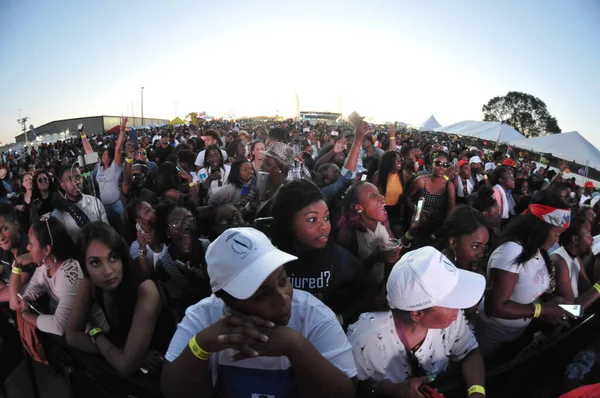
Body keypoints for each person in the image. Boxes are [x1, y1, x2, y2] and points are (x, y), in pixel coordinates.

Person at [160, 227, 357, 398]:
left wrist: (296, 346)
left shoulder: (314, 314)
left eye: (283, 281)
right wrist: (201, 345)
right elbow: (171, 390)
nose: (283, 299)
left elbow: (346, 391)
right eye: (262, 295)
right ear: (227, 300)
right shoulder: (203, 316)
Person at [347, 246, 486, 398]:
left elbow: (470, 352)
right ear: (417, 314)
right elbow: (348, 388)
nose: (458, 307)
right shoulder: (363, 341)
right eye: (450, 302)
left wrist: (477, 392)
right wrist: (391, 390)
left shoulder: (453, 319)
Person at [475, 190, 574, 358]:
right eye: (556, 234)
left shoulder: (538, 251)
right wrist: (541, 310)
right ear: (542, 227)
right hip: (488, 337)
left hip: (513, 336)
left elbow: (524, 290)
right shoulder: (511, 252)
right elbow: (495, 307)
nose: (557, 240)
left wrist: (550, 303)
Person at [66, 222, 168, 376]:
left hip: (162, 368)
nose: (107, 271)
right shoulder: (89, 282)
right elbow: (72, 336)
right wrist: (122, 353)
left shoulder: (146, 291)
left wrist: (96, 334)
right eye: (95, 262)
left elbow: (126, 366)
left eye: (113, 257)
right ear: (85, 267)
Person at [271, 179, 370, 327]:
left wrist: (340, 319)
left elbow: (365, 294)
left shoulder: (338, 258)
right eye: (312, 219)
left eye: (326, 218)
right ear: (288, 222)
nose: (324, 227)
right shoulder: (272, 261)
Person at [8, 215, 105, 336]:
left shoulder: (71, 275)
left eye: (31, 244)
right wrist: (17, 266)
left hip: (95, 338)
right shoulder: (44, 268)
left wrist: (25, 315)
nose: (27, 248)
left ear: (46, 249)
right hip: (74, 338)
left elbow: (59, 327)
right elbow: (15, 303)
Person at [154, 204, 211, 322]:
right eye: (175, 223)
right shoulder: (164, 265)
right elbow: (177, 306)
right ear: (167, 232)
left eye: (189, 220)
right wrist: (193, 285)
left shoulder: (210, 248)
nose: (185, 227)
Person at [337, 181, 400, 266]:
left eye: (379, 194)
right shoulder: (348, 235)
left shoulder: (383, 222)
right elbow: (349, 273)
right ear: (359, 207)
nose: (382, 197)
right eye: (373, 196)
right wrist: (376, 258)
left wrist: (412, 229)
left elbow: (393, 248)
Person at [408, 151, 456, 244]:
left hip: (437, 229)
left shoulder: (449, 186)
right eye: (438, 164)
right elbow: (408, 198)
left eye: (445, 165)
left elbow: (451, 212)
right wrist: (415, 208)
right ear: (431, 165)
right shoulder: (421, 181)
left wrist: (437, 233)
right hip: (417, 224)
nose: (441, 167)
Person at [552, 217, 600, 309]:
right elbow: (572, 309)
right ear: (575, 239)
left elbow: (587, 290)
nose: (592, 239)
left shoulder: (575, 258)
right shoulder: (559, 260)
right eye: (589, 234)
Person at [51, 166, 108, 244]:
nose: (76, 182)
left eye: (78, 177)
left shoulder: (95, 202)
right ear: (63, 186)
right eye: (70, 179)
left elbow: (107, 230)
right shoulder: (58, 214)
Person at [440, 205, 491, 274]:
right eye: (475, 247)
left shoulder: (477, 274)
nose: (481, 254)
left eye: (484, 246)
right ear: (453, 242)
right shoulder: (436, 273)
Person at [0, 203, 34, 302]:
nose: (1, 237)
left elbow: (13, 293)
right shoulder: (4, 248)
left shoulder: (28, 247)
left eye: (4, 229)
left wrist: (8, 289)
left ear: (16, 225)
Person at [128, 201, 167, 277]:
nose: (154, 211)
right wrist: (143, 250)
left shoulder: (165, 230)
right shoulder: (135, 247)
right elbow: (146, 275)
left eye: (152, 208)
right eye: (148, 211)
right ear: (139, 221)